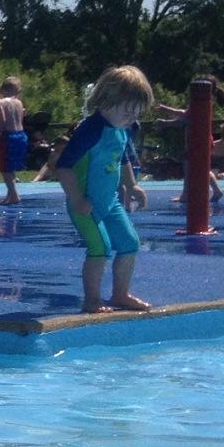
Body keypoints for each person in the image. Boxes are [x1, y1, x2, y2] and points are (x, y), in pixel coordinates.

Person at [55, 65, 153, 313]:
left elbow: (122, 159)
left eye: (137, 115)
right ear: (108, 101)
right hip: (85, 204)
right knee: (101, 248)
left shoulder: (121, 129)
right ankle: (92, 299)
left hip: (110, 202)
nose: (133, 120)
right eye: (129, 113)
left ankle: (120, 294)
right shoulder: (90, 130)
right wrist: (76, 199)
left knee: (130, 242)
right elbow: (63, 167)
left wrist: (131, 185)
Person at [0, 76, 29, 204]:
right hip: (21, 135)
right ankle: (10, 195)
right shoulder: (19, 103)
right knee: (11, 167)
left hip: (9, 136)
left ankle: (14, 195)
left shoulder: (1, 102)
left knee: (4, 168)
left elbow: (2, 121)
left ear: (4, 90)